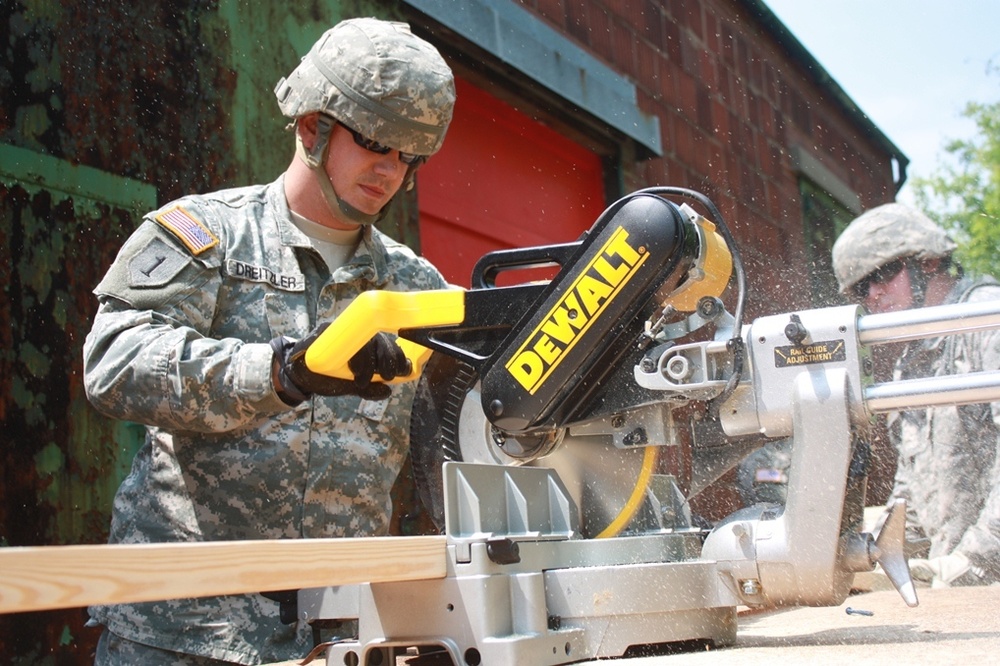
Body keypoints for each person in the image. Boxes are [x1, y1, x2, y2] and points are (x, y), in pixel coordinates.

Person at [82, 18, 456, 665]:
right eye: (375, 142)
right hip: (183, 634)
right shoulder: (205, 236)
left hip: (343, 636)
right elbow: (114, 363)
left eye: (409, 156)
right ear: (314, 127)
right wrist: (281, 372)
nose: (391, 169)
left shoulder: (415, 285)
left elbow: (451, 444)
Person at [831, 202, 1000, 588]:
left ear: (928, 262)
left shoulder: (988, 319)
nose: (873, 293)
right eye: (861, 287)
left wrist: (973, 559)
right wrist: (878, 552)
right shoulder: (912, 364)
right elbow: (914, 488)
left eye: (883, 274)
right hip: (966, 589)